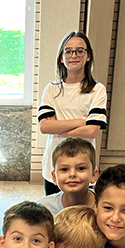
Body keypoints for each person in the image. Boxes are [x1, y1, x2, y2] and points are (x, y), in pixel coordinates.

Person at [38, 31, 107, 196]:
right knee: (54, 209)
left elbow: (91, 131)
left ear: (88, 56)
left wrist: (59, 127)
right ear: (62, 57)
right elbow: (45, 127)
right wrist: (82, 121)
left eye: (79, 51)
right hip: (55, 164)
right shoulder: (52, 89)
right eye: (68, 51)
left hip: (83, 166)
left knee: (80, 210)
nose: (74, 55)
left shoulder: (97, 89)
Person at [36, 137, 99, 216]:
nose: (72, 174)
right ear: (54, 177)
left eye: (81, 168)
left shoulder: (106, 206)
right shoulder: (42, 210)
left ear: (93, 175)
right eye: (64, 169)